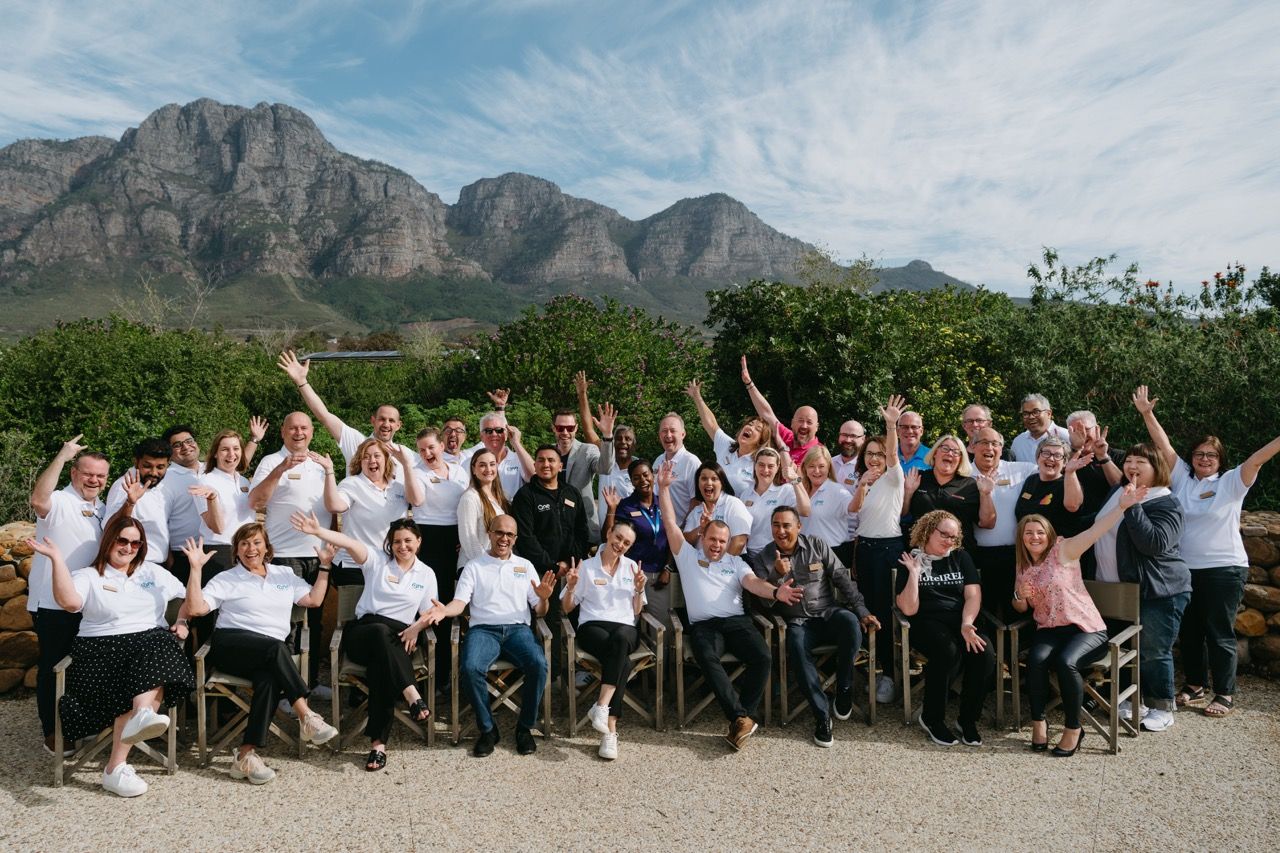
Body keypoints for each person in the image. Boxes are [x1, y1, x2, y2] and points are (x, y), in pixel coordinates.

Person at [1134, 385, 1280, 718]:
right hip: (1185, 569)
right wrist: (1147, 413)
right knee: (1189, 633)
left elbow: (1259, 458)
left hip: (1224, 569)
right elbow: (1163, 445)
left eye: (1211, 455)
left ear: (1220, 460)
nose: (1204, 459)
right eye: (1199, 454)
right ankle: (1195, 684)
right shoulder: (1182, 478)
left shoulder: (1232, 482)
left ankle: (1225, 693)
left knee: (1219, 633)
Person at [31, 518, 194, 798]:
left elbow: (190, 600)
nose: (128, 548)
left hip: (145, 655)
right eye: (122, 540)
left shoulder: (153, 572)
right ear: (108, 541)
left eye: (136, 543)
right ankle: (134, 730)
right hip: (99, 658)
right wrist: (57, 559)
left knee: (159, 640)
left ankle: (120, 758)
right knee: (152, 660)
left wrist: (182, 620)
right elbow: (69, 602)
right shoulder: (89, 576)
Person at [657, 459, 802, 751]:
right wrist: (663, 489)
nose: (716, 545)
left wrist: (776, 592)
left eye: (722, 541)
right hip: (704, 625)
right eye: (712, 539)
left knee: (762, 657)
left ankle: (740, 717)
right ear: (703, 536)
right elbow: (671, 524)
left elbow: (753, 583)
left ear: (728, 543)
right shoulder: (688, 556)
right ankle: (740, 717)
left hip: (736, 621)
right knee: (706, 656)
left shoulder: (735, 562)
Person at [182, 523, 337, 784]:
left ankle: (245, 755)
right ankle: (306, 714)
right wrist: (195, 569)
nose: (250, 548)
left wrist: (324, 567)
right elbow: (196, 609)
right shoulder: (226, 578)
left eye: (256, 542)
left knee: (269, 679)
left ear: (267, 547)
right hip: (231, 646)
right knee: (276, 648)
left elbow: (313, 600)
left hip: (267, 654)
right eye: (244, 543)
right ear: (236, 550)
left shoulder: (284, 574)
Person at [293, 515, 438, 771]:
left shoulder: (426, 574)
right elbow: (348, 542)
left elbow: (430, 612)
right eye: (397, 542)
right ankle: (411, 692)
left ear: (419, 541)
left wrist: (417, 627)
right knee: (381, 633)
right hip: (363, 633)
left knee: (382, 668)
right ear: (390, 544)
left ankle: (378, 746)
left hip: (398, 639)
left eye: (408, 541)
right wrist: (318, 531)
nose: (402, 546)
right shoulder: (377, 561)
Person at [1012, 491, 1142, 757]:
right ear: (1021, 538)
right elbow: (1022, 607)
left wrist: (1121, 507)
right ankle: (1039, 722)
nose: (1035, 537)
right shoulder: (1023, 565)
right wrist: (1018, 595)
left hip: (1086, 629)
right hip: (1049, 630)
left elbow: (1096, 531)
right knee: (1035, 660)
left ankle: (1073, 728)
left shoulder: (1063, 551)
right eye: (1029, 533)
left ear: (1048, 534)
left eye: (1040, 532)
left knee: (1066, 662)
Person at [422, 516, 556, 757]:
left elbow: (540, 611)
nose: (504, 538)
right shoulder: (474, 566)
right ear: (490, 534)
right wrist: (444, 610)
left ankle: (524, 728)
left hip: (518, 630)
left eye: (509, 535)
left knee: (538, 664)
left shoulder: (525, 566)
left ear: (515, 538)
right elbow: (459, 602)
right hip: (483, 630)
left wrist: (544, 598)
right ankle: (487, 729)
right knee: (470, 668)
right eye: (499, 533)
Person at [753, 506, 879, 748]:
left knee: (850, 622)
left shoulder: (816, 545)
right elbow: (763, 602)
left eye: (786, 525)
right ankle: (822, 715)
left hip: (827, 614)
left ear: (799, 526)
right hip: (797, 622)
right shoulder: (763, 558)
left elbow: (842, 578)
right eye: (776, 525)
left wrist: (862, 611)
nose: (781, 531)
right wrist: (776, 576)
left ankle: (844, 686)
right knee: (796, 645)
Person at [1091, 443, 1190, 732]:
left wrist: (1133, 505)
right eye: (1129, 461)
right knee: (1121, 648)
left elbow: (1153, 544)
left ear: (1157, 467)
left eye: (1140, 462)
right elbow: (1099, 525)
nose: (1132, 467)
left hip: (1158, 590)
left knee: (1153, 651)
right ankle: (1129, 700)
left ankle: (1162, 707)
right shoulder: (1118, 491)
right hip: (1115, 589)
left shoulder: (1167, 503)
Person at [28, 436, 108, 756]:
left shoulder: (101, 507)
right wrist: (62, 455)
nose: (94, 480)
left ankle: (79, 724)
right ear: (74, 473)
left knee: (81, 668)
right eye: (88, 473)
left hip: (86, 601)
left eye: (100, 475)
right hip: (51, 603)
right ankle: (53, 732)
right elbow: (38, 499)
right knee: (53, 667)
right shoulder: (59, 500)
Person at [247, 412, 333, 689]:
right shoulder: (271, 461)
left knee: (315, 622)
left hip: (318, 555)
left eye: (304, 428)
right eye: (293, 428)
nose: (299, 433)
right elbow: (255, 501)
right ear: (283, 432)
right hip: (284, 556)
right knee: (287, 623)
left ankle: (310, 682)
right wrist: (280, 470)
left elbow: (332, 504)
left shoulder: (321, 464)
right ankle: (286, 689)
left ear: (312, 432)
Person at [895, 510, 994, 747]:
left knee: (985, 653)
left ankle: (967, 720)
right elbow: (908, 609)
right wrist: (914, 574)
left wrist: (967, 623)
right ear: (929, 531)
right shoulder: (911, 559)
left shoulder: (961, 557)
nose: (949, 541)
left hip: (962, 620)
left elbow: (973, 595)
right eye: (944, 535)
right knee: (946, 651)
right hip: (926, 622)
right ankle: (932, 718)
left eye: (954, 537)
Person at [560, 520, 647, 760]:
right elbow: (567, 608)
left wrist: (639, 589)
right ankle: (610, 728)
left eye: (627, 543)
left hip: (625, 628)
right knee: (623, 661)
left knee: (620, 640)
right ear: (608, 533)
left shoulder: (632, 568)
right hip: (593, 627)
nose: (620, 544)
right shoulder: (586, 567)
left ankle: (602, 707)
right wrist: (570, 587)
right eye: (618, 537)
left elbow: (637, 610)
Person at [849, 395, 908, 705]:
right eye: (869, 453)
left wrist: (891, 425)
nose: (874, 458)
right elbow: (854, 511)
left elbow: (894, 453)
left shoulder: (894, 478)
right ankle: (871, 668)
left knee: (886, 613)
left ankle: (889, 675)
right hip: (865, 550)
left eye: (879, 453)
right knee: (867, 610)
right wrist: (861, 485)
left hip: (888, 550)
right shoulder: (862, 481)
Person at [511, 445, 590, 674]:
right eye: (541, 460)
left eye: (551, 460)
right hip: (542, 572)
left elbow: (581, 531)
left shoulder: (572, 493)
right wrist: (553, 566)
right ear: (535, 464)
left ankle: (578, 670)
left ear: (560, 465)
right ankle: (551, 674)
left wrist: (570, 562)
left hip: (572, 570)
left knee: (577, 617)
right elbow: (526, 538)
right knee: (549, 621)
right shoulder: (526, 496)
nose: (546, 464)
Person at [277, 350, 414, 481]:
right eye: (382, 419)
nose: (386, 424)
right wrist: (302, 382)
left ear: (398, 425)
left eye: (391, 420)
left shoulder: (406, 455)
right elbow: (324, 415)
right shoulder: (356, 442)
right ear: (373, 421)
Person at [322, 438, 424, 587]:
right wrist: (329, 471)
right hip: (355, 567)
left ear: (386, 459)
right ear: (360, 461)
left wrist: (406, 464)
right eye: (366, 457)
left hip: (390, 566)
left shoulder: (398, 486)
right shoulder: (352, 483)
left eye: (377, 456)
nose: (372, 460)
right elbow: (334, 506)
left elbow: (417, 501)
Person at [411, 427, 469, 682]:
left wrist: (463, 538)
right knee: (429, 603)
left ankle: (447, 671)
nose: (427, 453)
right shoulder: (416, 472)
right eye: (422, 450)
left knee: (451, 603)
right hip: (428, 540)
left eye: (431, 447)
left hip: (456, 540)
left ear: (442, 446)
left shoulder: (459, 472)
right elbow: (416, 501)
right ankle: (425, 672)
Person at [969, 428, 1039, 620]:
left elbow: (1051, 468)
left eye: (995, 443)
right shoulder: (963, 474)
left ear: (1001, 448)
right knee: (985, 612)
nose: (989, 448)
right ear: (973, 446)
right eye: (984, 442)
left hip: (1015, 555)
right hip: (979, 557)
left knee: (1016, 610)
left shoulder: (1021, 470)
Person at [604, 461, 672, 625]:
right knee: (629, 621)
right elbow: (609, 536)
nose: (642, 480)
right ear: (631, 481)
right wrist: (611, 509)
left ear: (653, 476)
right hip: (632, 573)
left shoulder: (663, 502)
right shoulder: (626, 506)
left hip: (658, 576)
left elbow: (673, 537)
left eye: (645, 475)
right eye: (636, 478)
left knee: (661, 626)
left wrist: (668, 568)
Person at [189, 428, 262, 576]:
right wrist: (212, 499)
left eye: (236, 448)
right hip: (219, 552)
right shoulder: (206, 481)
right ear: (215, 453)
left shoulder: (244, 481)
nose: (231, 454)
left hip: (247, 552)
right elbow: (216, 528)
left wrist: (254, 439)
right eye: (225, 449)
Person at [903, 434, 995, 549]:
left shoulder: (969, 485)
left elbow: (987, 523)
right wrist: (908, 492)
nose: (950, 453)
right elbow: (902, 514)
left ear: (960, 459)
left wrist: (986, 494)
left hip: (958, 553)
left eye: (956, 452)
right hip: (920, 552)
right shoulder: (918, 478)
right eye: (945, 448)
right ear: (935, 453)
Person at [685, 378, 771, 496]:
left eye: (758, 429)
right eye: (750, 424)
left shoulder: (759, 464)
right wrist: (697, 397)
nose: (750, 428)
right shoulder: (727, 445)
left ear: (761, 441)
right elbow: (711, 425)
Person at [576, 371, 636, 532]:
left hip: (631, 535)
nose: (623, 442)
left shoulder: (640, 469)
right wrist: (582, 394)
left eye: (628, 439)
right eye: (618, 438)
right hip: (606, 535)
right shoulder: (605, 459)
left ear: (634, 445)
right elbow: (589, 430)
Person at [103, 438, 173, 565]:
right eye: (147, 466)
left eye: (160, 467)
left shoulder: (162, 487)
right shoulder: (124, 486)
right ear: (136, 462)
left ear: (168, 464)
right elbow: (109, 528)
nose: (154, 473)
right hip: (134, 564)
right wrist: (129, 503)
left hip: (157, 565)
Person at [741, 356, 821, 465]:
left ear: (817, 427)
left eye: (809, 422)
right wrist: (749, 384)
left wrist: (782, 447)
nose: (804, 425)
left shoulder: (819, 453)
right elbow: (766, 414)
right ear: (792, 423)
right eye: (800, 420)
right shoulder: (787, 437)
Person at [742, 448, 810, 564]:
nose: (765, 470)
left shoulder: (785, 491)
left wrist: (795, 479)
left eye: (770, 466)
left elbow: (805, 511)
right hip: (750, 557)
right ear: (755, 465)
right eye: (761, 465)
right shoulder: (745, 494)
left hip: (775, 557)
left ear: (778, 467)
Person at [1013, 435, 1087, 539]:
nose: (1051, 458)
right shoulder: (1031, 480)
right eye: (1046, 453)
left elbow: (1073, 506)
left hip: (1057, 546)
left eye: (1058, 455)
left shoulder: (1068, 483)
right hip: (1029, 545)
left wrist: (1070, 472)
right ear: (1038, 457)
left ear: (1065, 463)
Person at [550, 406, 606, 542]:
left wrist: (608, 436)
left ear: (576, 428)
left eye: (569, 428)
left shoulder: (588, 450)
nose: (565, 432)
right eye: (560, 428)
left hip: (583, 528)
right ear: (553, 428)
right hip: (553, 529)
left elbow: (605, 469)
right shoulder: (548, 452)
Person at [161, 425, 208, 584]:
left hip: (214, 551)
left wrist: (254, 440)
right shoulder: (165, 479)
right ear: (169, 452)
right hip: (182, 556)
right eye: (177, 445)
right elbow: (160, 521)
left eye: (189, 441)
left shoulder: (211, 470)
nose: (186, 447)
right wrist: (169, 559)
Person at [682, 461, 753, 557]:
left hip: (729, 564)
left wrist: (720, 564)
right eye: (704, 478)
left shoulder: (733, 504)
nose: (708, 482)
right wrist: (701, 529)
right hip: (699, 564)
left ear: (722, 483)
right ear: (698, 483)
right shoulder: (696, 510)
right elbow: (685, 542)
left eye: (714, 479)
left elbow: (739, 542)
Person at [797, 445, 858, 556]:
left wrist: (862, 486)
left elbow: (853, 508)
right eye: (811, 466)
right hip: (804, 553)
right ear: (804, 468)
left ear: (829, 467)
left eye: (821, 466)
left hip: (833, 554)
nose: (816, 471)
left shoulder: (838, 491)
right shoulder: (799, 490)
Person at [473, 395, 536, 499]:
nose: (494, 434)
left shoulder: (518, 459)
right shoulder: (473, 461)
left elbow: (535, 478)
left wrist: (516, 443)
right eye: (488, 431)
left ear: (506, 434)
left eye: (499, 430)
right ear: (481, 437)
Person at [457, 449, 511, 568]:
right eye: (482, 465)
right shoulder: (470, 498)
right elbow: (469, 540)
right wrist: (487, 565)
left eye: (492, 464)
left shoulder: (503, 497)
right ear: (473, 469)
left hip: (496, 565)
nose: (488, 469)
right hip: (475, 567)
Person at [655, 412, 701, 525]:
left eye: (672, 430)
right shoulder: (657, 461)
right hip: (661, 529)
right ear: (659, 435)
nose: (668, 435)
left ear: (683, 434)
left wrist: (683, 528)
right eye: (664, 431)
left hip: (683, 530)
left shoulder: (691, 462)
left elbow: (697, 501)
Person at [831, 420, 867, 560]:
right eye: (844, 435)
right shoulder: (828, 464)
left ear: (863, 439)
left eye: (853, 436)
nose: (848, 440)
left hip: (855, 539)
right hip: (829, 536)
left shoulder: (866, 467)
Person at [1011, 394, 1071, 463]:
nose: (1031, 417)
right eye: (1026, 414)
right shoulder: (1019, 442)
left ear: (1049, 414)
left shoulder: (1066, 437)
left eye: (1036, 412)